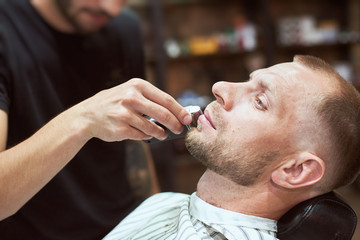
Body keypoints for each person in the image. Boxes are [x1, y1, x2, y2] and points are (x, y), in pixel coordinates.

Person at [103, 55, 360, 240]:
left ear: (296, 170)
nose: (220, 88)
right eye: (248, 81)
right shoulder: (165, 203)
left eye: (259, 101)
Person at [0, 0, 192, 239]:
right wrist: (83, 120)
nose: (112, 9)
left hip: (125, 227)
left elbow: (136, 144)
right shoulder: (6, 29)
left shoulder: (124, 28)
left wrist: (155, 220)